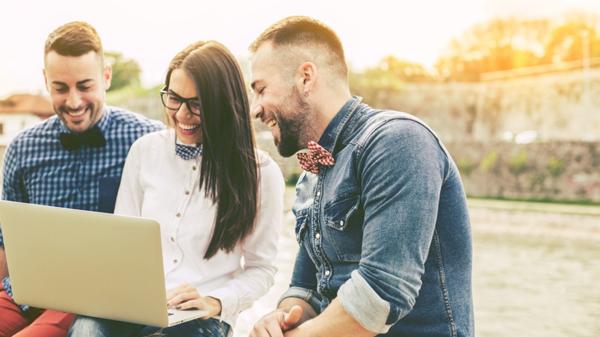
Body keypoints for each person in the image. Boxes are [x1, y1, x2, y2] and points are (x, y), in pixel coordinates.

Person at [248, 16, 474, 337]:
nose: (255, 108)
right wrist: (279, 319)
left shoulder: (397, 141)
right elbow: (306, 286)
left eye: (261, 89)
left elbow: (381, 294)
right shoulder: (311, 175)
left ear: (306, 78)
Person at [68, 40, 285, 337]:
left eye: (197, 104)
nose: (181, 114)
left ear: (224, 103)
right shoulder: (145, 151)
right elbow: (122, 242)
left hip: (202, 318)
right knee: (86, 329)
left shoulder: (262, 174)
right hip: (135, 305)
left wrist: (214, 302)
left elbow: (262, 269)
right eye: (173, 98)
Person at [0, 21, 164, 337]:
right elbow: (5, 242)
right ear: (46, 81)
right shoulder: (22, 149)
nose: (74, 102)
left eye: (85, 86)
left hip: (101, 299)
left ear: (106, 77)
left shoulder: (148, 140)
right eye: (60, 88)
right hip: (26, 292)